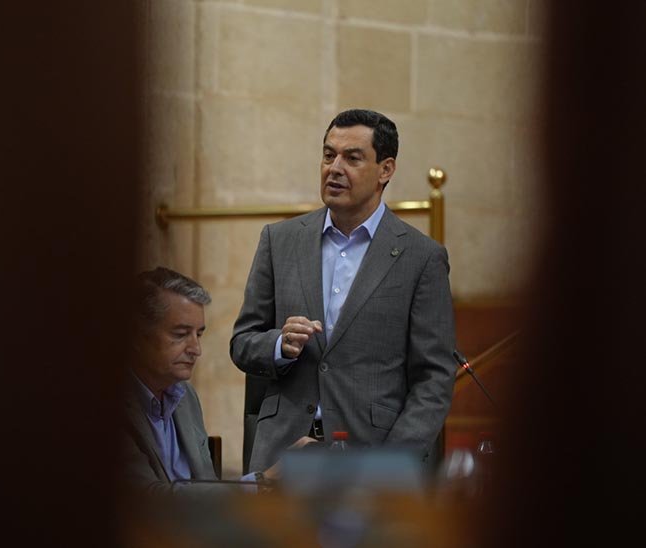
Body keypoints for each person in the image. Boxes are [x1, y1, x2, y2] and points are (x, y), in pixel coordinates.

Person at [230, 109, 457, 474]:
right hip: (280, 456)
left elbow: (433, 377)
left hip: (370, 457)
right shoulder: (280, 240)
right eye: (328, 154)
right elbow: (242, 343)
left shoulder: (422, 257)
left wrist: (391, 463)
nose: (334, 168)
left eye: (352, 158)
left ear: (386, 170)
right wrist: (279, 346)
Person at [123, 267, 316, 493]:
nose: (196, 349)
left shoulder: (184, 396)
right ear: (136, 335)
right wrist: (264, 480)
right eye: (180, 334)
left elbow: (207, 486)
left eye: (199, 334)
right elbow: (151, 500)